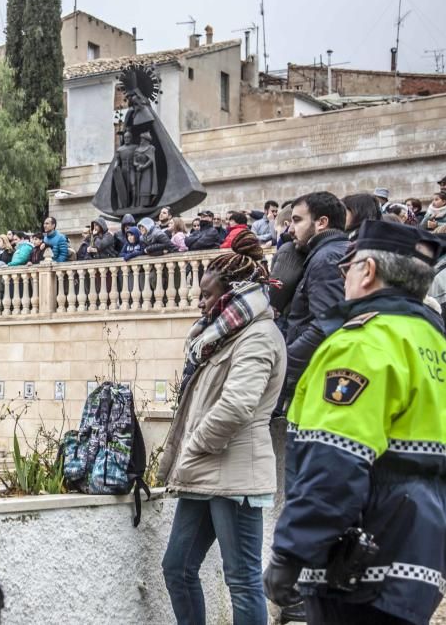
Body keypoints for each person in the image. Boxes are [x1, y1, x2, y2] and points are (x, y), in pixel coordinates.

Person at [264, 220, 446, 625]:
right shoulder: (434, 343)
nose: (344, 278)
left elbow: (336, 460)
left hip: (358, 566)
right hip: (420, 557)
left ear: (367, 271)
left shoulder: (362, 343)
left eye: (347, 269)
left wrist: (291, 554)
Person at [160, 230, 286, 625]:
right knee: (176, 568)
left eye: (208, 295)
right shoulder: (219, 337)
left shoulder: (258, 335)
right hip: (204, 473)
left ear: (233, 292)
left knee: (242, 581)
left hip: (236, 475)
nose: (201, 303)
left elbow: (236, 406)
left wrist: (194, 446)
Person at [280, 192, 349, 408]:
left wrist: (285, 364)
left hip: (318, 373)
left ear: (321, 223)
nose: (291, 229)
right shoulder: (329, 253)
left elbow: (327, 324)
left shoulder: (326, 258)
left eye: (297, 220)